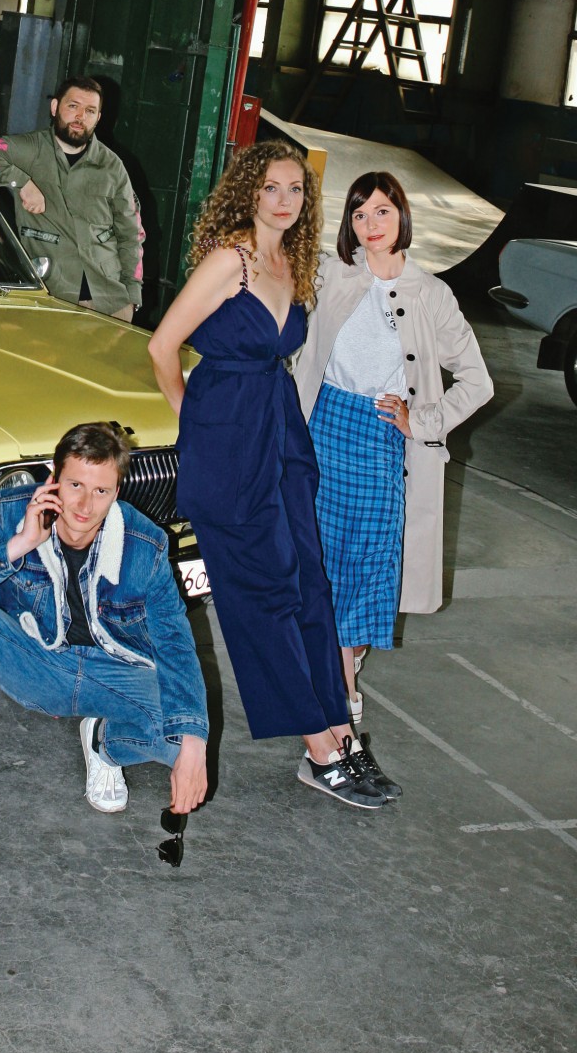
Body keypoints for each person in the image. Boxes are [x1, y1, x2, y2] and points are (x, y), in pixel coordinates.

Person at [147, 141, 395, 810]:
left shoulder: (292, 263)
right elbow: (162, 346)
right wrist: (196, 423)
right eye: (272, 188)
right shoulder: (229, 260)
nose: (284, 200)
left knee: (309, 582)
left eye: (296, 190)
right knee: (262, 593)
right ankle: (319, 748)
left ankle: (339, 729)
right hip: (229, 438)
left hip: (280, 431)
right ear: (248, 193)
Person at [0, 421, 208, 839]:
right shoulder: (12, 511)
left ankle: (105, 745)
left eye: (101, 491)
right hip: (39, 665)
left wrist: (193, 743)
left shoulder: (145, 543)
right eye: (75, 485)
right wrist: (20, 543)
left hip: (114, 676)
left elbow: (175, 643)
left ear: (117, 492)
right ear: (54, 479)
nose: (85, 505)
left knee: (185, 745)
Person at [295, 171, 493, 724]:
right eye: (359, 215)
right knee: (320, 560)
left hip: (383, 437)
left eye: (381, 211)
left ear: (401, 215)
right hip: (322, 428)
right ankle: (340, 688)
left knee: (368, 564)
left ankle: (342, 670)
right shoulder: (329, 273)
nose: (371, 225)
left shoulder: (431, 294)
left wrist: (423, 420)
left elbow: (478, 381)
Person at [0, 75, 142, 320]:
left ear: (98, 118)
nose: (80, 116)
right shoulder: (30, 149)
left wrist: (132, 296)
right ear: (55, 107)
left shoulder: (112, 166)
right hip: (52, 297)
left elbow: (131, 234)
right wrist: (22, 182)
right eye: (73, 106)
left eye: (90, 111)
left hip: (111, 301)